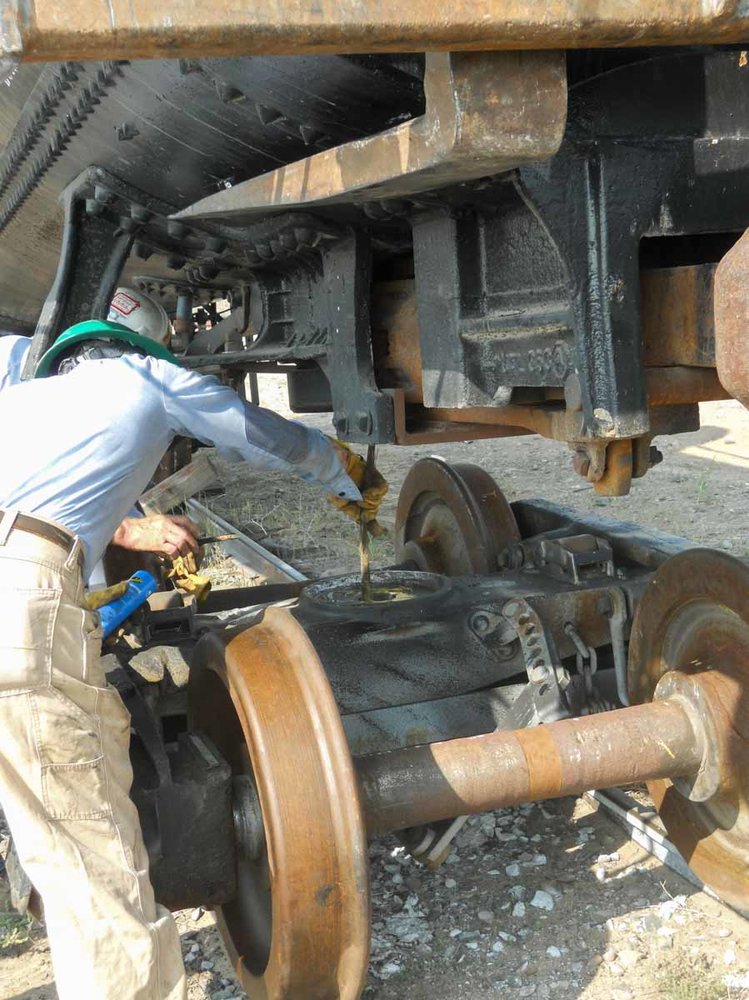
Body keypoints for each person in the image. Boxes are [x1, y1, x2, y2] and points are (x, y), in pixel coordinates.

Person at [0, 318, 384, 999]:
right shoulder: (143, 379)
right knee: (95, 866)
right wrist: (343, 471)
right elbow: (255, 431)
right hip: (22, 609)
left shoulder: (21, 398)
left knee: (72, 784)